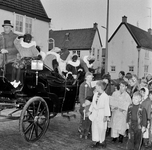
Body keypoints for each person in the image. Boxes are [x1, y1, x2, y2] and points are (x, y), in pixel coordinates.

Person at [89, 80, 111, 148]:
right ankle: (95, 140)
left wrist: (106, 116)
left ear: (99, 87)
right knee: (94, 127)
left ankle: (102, 141)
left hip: (102, 113)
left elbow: (107, 107)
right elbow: (93, 103)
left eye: (96, 86)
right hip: (95, 112)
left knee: (101, 128)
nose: (95, 87)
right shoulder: (95, 94)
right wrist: (90, 111)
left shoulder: (106, 96)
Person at [78, 72, 94, 137]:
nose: (90, 79)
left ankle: (87, 131)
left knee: (89, 118)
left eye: (91, 77)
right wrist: (82, 103)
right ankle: (81, 130)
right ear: (86, 78)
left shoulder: (92, 85)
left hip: (90, 104)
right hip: (85, 104)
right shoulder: (83, 85)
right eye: (88, 77)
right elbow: (81, 95)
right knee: (83, 118)